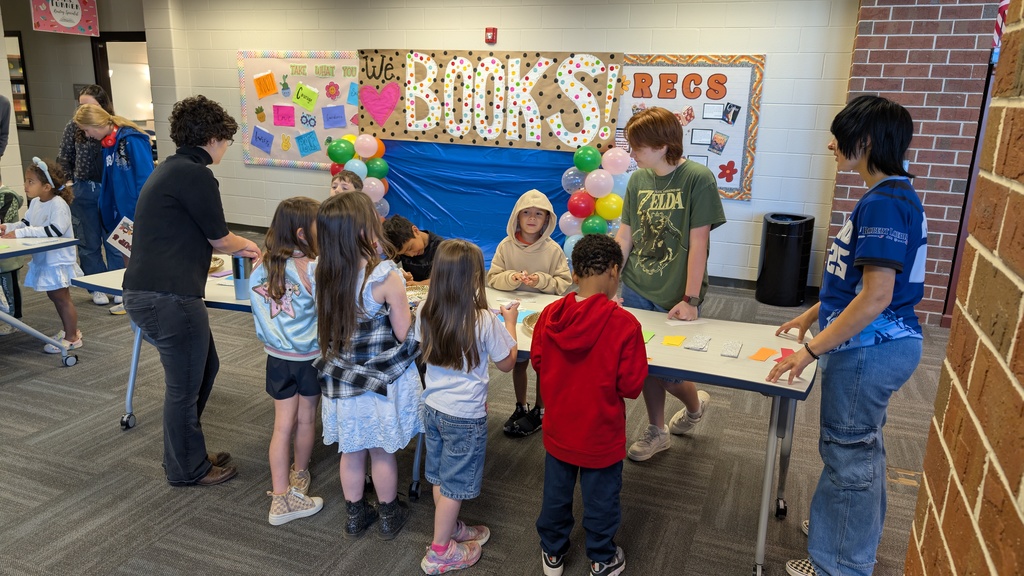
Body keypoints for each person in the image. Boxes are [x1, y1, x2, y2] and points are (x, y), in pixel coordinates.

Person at [767, 95, 927, 576]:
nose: (831, 144)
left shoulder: (884, 202)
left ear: (869, 141)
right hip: (868, 345)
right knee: (861, 447)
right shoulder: (886, 196)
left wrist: (811, 350)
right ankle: (848, 531)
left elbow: (877, 297)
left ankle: (840, 562)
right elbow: (854, 283)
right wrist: (811, 315)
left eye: (841, 135)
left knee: (848, 452)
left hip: (869, 351)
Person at [122, 95, 261, 487]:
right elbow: (219, 238)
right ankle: (187, 468)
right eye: (226, 141)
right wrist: (253, 246)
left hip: (152, 292)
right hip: (168, 297)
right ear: (213, 138)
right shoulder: (195, 174)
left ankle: (187, 452)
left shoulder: (170, 168)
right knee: (184, 385)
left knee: (204, 368)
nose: (225, 149)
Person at [614, 106, 726, 462]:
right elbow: (625, 236)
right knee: (642, 363)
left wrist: (691, 298)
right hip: (635, 285)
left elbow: (699, 244)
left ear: (663, 146)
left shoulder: (698, 178)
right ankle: (657, 429)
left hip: (675, 291)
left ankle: (694, 406)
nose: (631, 153)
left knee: (670, 373)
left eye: (637, 146)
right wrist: (609, 284)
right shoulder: (637, 180)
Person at [532, 234, 648, 576]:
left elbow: (538, 361)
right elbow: (630, 386)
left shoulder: (551, 314)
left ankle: (552, 552)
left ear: (574, 273)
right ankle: (601, 556)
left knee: (555, 494)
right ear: (614, 271)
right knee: (601, 499)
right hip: (601, 433)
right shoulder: (625, 325)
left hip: (559, 429)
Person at [312, 191, 422, 540]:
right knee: (382, 452)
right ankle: (389, 515)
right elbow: (405, 333)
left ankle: (355, 516)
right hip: (377, 381)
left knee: (351, 450)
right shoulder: (384, 275)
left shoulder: (321, 270)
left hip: (341, 379)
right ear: (364, 230)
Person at [416, 239, 519, 574]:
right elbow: (507, 363)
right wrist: (510, 323)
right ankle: (440, 551)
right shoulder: (483, 321)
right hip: (465, 417)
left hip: (432, 407)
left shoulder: (425, 309)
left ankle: (451, 527)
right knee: (455, 485)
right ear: (475, 278)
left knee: (442, 477)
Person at [249, 196, 324, 525]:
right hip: (308, 359)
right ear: (302, 233)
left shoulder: (260, 265)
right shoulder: (313, 267)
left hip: (276, 359)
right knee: (306, 420)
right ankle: (300, 476)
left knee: (282, 426)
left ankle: (281, 498)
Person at [487, 189, 571, 438]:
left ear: (547, 219)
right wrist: (512, 278)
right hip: (513, 314)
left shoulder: (553, 249)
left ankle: (540, 409)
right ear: (517, 217)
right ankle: (520, 405)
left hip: (542, 317)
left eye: (538, 214)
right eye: (526, 213)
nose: (532, 218)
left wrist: (542, 280)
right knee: (518, 361)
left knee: (543, 364)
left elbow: (563, 283)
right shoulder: (506, 246)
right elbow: (492, 278)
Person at [73, 103, 154, 315]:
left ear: (96, 124)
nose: (87, 134)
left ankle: (145, 300)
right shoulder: (109, 143)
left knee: (139, 258)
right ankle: (131, 299)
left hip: (135, 210)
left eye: (86, 129)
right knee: (127, 255)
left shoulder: (132, 139)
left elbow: (145, 177)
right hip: (119, 210)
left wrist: (143, 210)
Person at [0, 158, 83, 353]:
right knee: (55, 296)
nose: (25, 185)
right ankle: (69, 330)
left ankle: (73, 337)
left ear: (46, 186)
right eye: (26, 181)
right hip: (46, 258)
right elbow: (27, 224)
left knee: (61, 297)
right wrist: (9, 227)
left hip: (58, 260)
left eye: (31, 182)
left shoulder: (58, 205)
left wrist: (20, 233)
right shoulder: (36, 202)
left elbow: (53, 230)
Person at [58, 85, 122, 308]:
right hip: (83, 189)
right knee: (88, 242)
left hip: (110, 190)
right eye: (81, 104)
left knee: (115, 241)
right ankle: (97, 286)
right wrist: (69, 185)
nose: (84, 109)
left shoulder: (116, 126)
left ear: (102, 106)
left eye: (89, 105)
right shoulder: (73, 127)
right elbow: (64, 157)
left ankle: (118, 284)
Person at [383, 214, 443, 285]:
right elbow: (383, 270)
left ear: (415, 231)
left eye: (410, 248)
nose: (410, 255)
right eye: (404, 253)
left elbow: (447, 279)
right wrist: (399, 276)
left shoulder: (441, 247)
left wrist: (418, 284)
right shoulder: (399, 247)